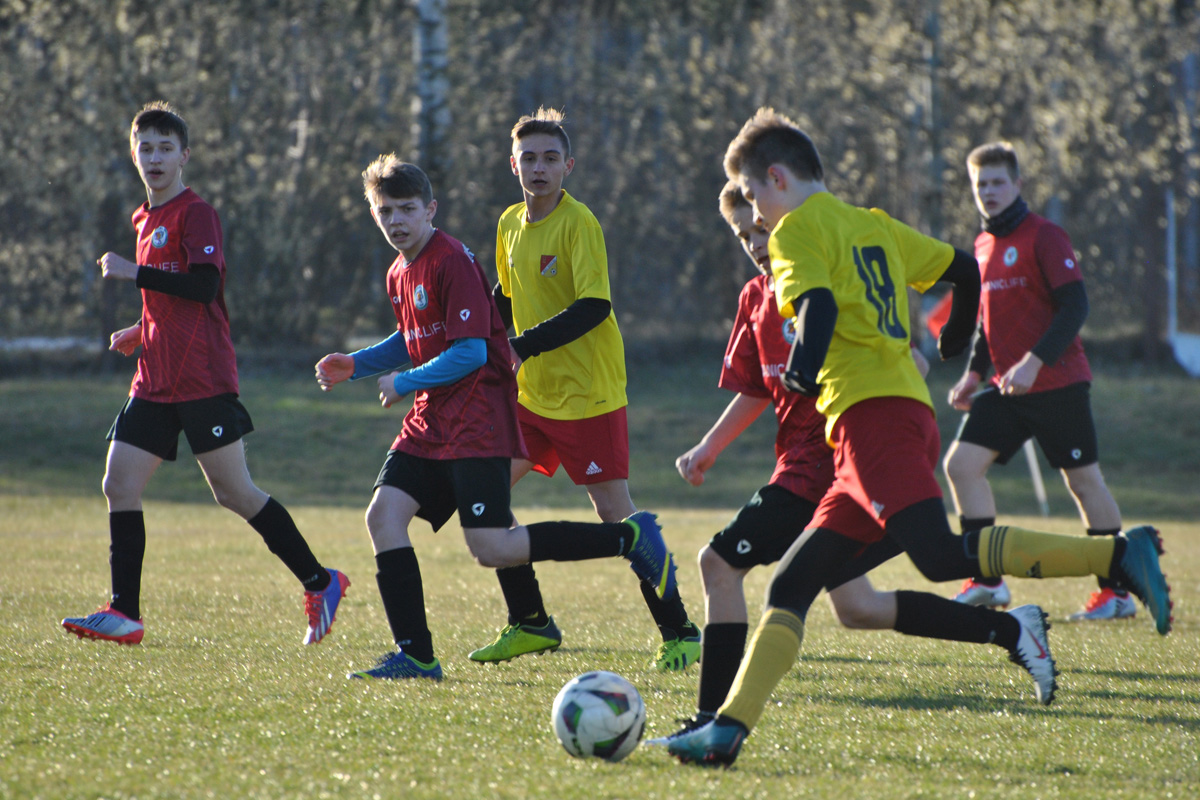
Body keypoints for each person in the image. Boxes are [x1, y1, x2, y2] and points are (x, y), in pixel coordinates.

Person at [667, 107, 1172, 767]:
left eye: (754, 195)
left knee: (937, 555)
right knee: (790, 585)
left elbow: (817, 306)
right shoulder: (872, 224)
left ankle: (1118, 556)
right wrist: (956, 337)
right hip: (886, 418)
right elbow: (963, 269)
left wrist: (805, 366)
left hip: (872, 417)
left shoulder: (795, 232)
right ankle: (725, 731)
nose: (757, 214)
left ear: (777, 177)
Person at [650, 182, 1064, 745]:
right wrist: (709, 447)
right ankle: (1012, 630)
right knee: (858, 607)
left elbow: (904, 356)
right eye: (743, 235)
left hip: (835, 467)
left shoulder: (824, 275)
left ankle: (710, 719)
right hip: (811, 472)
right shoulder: (756, 298)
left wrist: (903, 374)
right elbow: (756, 388)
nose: (756, 242)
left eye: (761, 228)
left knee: (718, 564)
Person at [314, 155, 677, 680]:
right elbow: (413, 337)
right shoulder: (399, 271)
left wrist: (405, 382)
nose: (396, 220)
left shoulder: (451, 261)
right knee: (382, 517)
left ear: (430, 210)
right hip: (429, 422)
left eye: (407, 209)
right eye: (385, 211)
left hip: (477, 421)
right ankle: (416, 655)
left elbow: (472, 352)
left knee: (490, 547)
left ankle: (629, 539)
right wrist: (357, 364)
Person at [61, 102, 349, 647]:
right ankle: (125, 612)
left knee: (234, 492)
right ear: (134, 154)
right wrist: (141, 328)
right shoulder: (143, 218)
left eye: (165, 148)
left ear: (184, 156)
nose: (155, 158)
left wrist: (133, 273)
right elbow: (169, 298)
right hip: (155, 378)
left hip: (202, 379)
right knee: (118, 483)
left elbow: (201, 287)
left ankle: (321, 580)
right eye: (146, 148)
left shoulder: (197, 214)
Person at [467, 107, 701, 672]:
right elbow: (505, 296)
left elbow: (594, 306)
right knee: (484, 499)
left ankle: (681, 630)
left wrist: (522, 347)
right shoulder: (508, 223)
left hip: (588, 396)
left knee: (617, 516)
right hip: (531, 397)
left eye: (551, 158)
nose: (539, 168)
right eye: (529, 158)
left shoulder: (580, 223)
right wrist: (476, 341)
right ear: (513, 165)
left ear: (567, 166)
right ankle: (530, 622)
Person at [943, 142, 1131, 621]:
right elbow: (987, 323)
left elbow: (1075, 307)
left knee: (1083, 481)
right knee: (961, 466)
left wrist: (1033, 362)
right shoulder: (982, 245)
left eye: (997, 182)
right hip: (1007, 388)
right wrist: (973, 375)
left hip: (1057, 382)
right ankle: (987, 581)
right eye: (981, 184)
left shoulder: (1045, 235)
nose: (989, 192)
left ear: (1017, 184)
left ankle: (1117, 593)